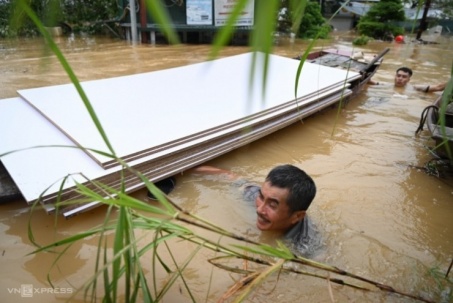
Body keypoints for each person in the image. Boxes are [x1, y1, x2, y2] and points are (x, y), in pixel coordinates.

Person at [193, 164, 320, 257]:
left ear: (297, 216)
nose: (259, 209)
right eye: (261, 196)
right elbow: (229, 176)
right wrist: (184, 168)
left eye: (272, 205)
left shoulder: (304, 248)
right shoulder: (256, 195)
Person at [369, 67, 447, 92]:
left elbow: (438, 87)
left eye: (404, 77)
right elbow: (369, 82)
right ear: (395, 76)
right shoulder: (386, 85)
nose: (400, 78)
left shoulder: (414, 88)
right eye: (398, 76)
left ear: (409, 79)